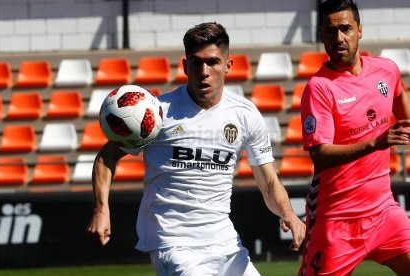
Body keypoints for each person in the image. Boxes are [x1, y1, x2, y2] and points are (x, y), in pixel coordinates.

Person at [86, 22, 305, 275]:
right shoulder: (156, 113)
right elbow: (107, 156)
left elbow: (268, 183)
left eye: (212, 62)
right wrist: (101, 210)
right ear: (184, 66)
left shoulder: (245, 114)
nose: (204, 71)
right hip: (175, 244)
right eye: (195, 62)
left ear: (228, 66)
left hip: (225, 241)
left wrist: (288, 213)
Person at [298, 0, 410, 275]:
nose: (338, 38)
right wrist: (375, 142)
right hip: (337, 219)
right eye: (330, 31)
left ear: (359, 30)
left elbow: (399, 97)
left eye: (345, 29)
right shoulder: (319, 88)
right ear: (321, 36)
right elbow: (320, 156)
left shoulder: (386, 70)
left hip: (384, 211)